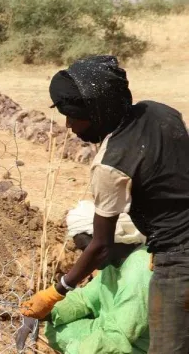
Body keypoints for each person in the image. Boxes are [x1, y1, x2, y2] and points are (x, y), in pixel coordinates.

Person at [21, 55, 189, 353]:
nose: (68, 125)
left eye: (74, 115)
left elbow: (100, 245)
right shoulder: (161, 112)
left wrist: (55, 292)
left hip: (179, 257)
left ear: (99, 109)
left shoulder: (111, 164)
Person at [43, 200, 151, 354]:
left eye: (87, 250)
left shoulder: (140, 267)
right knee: (55, 328)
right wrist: (48, 310)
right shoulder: (115, 262)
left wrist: (78, 350)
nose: (85, 257)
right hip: (109, 328)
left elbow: (119, 335)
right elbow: (85, 299)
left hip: (137, 345)